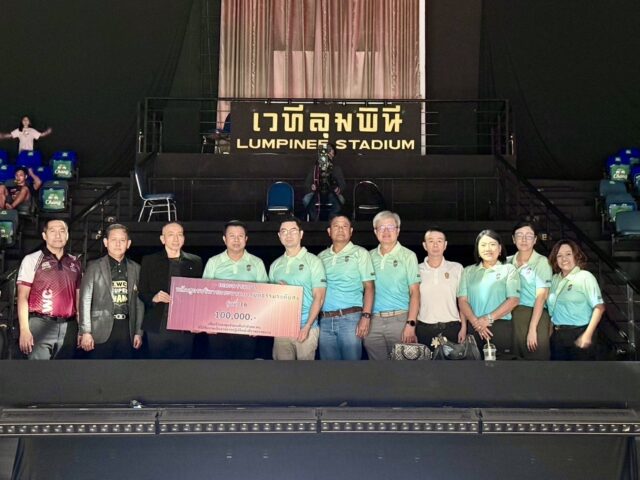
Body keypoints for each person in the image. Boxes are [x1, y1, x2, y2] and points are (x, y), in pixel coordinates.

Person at [202, 220, 269, 359]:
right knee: (220, 367)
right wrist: (207, 323)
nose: (236, 240)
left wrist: (259, 324)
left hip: (247, 327)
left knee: (244, 368)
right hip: (218, 327)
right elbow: (204, 295)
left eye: (240, 236)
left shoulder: (257, 263)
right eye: (232, 236)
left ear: (246, 239)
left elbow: (264, 296)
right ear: (224, 239)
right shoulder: (213, 262)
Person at [16, 219, 82, 359]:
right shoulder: (32, 259)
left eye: (62, 231)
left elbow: (79, 299)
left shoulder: (75, 262)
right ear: (44, 236)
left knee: (65, 371)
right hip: (40, 324)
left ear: (67, 235)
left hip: (69, 326)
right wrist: (24, 330)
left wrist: (82, 329)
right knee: (40, 371)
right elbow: (22, 297)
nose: (58, 235)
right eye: (52, 231)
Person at [138, 222, 203, 359]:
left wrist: (197, 321)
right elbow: (142, 291)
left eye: (179, 235)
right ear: (163, 239)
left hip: (184, 326)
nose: (176, 238)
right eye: (171, 235)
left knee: (183, 367)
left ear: (184, 238)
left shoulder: (195, 261)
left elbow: (200, 296)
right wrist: (154, 297)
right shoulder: (149, 261)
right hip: (158, 324)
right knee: (157, 367)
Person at [78, 224, 144, 359]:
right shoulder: (93, 267)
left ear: (128, 244)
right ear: (105, 242)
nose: (118, 244)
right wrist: (85, 332)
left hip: (127, 330)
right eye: (113, 240)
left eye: (122, 240)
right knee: (100, 369)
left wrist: (138, 332)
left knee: (124, 370)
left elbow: (139, 303)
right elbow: (85, 300)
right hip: (99, 329)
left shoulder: (136, 269)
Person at [364, 211, 420, 360]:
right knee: (377, 369)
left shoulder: (408, 256)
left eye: (390, 227)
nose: (386, 231)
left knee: (402, 369)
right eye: (381, 228)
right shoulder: (368, 256)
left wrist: (411, 324)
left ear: (398, 230)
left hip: (400, 320)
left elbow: (415, 292)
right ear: (375, 231)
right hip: (373, 322)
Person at [317, 215, 375, 360]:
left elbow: (369, 287)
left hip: (351, 319)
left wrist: (366, 317)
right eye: (336, 226)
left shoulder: (360, 253)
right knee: (328, 370)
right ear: (329, 231)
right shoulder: (321, 257)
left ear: (351, 231)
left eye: (345, 226)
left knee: (351, 369)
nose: (340, 229)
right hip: (325, 321)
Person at [269, 217, 326, 360]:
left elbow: (319, 297)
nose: (288, 235)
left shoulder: (314, 261)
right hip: (281, 329)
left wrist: (307, 326)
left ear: (301, 234)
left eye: (293, 231)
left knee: (305, 373)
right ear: (279, 236)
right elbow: (270, 300)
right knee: (282, 372)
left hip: (306, 328)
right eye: (284, 231)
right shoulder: (275, 265)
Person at [457, 229, 520, 359]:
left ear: (500, 248)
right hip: (474, 327)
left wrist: (488, 319)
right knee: (474, 367)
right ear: (478, 250)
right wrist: (476, 323)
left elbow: (513, 300)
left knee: (501, 368)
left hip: (499, 326)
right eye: (483, 245)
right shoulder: (468, 271)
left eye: (492, 244)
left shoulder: (509, 269)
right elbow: (462, 301)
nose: (488, 248)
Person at [547, 239, 605, 361]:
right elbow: (553, 309)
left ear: (576, 256)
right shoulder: (554, 279)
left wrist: (587, 334)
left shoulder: (585, 277)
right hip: (558, 336)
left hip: (580, 332)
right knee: (559, 371)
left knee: (581, 372)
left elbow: (599, 308)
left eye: (568, 254)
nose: (564, 259)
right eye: (559, 255)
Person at [507, 221, 552, 360]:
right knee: (514, 361)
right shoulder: (507, 262)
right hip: (512, 316)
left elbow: (541, 296)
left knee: (536, 360)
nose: (524, 239)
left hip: (535, 315)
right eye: (519, 235)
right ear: (513, 239)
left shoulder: (541, 262)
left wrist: (533, 328)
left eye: (529, 235)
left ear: (535, 239)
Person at [416, 228, 467, 348]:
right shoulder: (416, 269)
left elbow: (462, 301)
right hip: (424, 328)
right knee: (425, 361)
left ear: (445, 245)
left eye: (439, 241)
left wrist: (464, 327)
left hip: (452, 328)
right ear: (424, 245)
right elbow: (413, 301)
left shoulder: (457, 268)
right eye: (431, 241)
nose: (435, 245)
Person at [302, 143, 346, 221]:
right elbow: (307, 183)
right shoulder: (315, 168)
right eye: (327, 154)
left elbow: (343, 184)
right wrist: (311, 187)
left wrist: (338, 189)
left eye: (331, 154)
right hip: (317, 194)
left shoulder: (336, 169)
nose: (328, 157)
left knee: (341, 199)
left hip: (331, 194)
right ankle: (315, 220)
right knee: (306, 199)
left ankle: (332, 220)